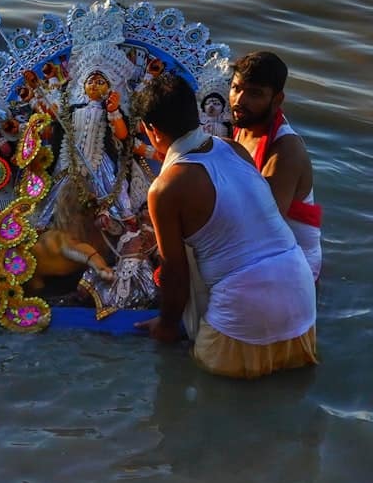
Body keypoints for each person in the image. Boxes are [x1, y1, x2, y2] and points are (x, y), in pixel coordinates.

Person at [133, 72, 317, 378]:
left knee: (207, 393)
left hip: (243, 312)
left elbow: (175, 273)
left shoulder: (165, 189)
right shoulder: (234, 148)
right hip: (301, 297)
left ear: (151, 131)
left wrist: (166, 327)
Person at [229, 51, 323, 282]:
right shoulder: (244, 123)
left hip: (292, 266)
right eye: (236, 88)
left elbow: (265, 228)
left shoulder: (285, 151)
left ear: (277, 99)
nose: (240, 100)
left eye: (255, 94)